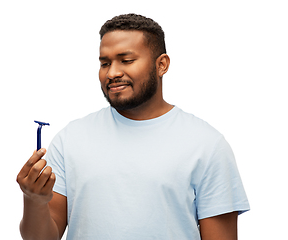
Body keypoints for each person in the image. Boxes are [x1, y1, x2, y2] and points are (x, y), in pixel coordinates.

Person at [16, 13, 250, 240]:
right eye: (105, 63)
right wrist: (34, 200)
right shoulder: (70, 140)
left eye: (126, 60)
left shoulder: (206, 144)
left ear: (162, 65)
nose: (113, 73)